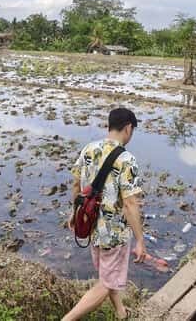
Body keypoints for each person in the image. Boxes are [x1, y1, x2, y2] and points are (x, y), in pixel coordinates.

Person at [63, 108, 145, 321]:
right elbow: (130, 204)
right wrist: (140, 241)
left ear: (110, 125)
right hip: (113, 234)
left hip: (90, 224)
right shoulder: (126, 159)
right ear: (128, 128)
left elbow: (76, 184)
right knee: (107, 283)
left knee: (108, 275)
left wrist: (74, 213)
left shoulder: (88, 149)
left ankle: (121, 313)